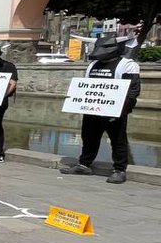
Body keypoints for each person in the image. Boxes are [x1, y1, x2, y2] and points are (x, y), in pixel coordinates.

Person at [59, 32, 141, 184]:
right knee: (88, 137)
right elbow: (86, 86)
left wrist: (122, 110)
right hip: (92, 110)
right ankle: (84, 164)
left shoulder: (128, 65)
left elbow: (133, 91)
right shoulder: (93, 65)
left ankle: (119, 170)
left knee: (118, 140)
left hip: (115, 112)